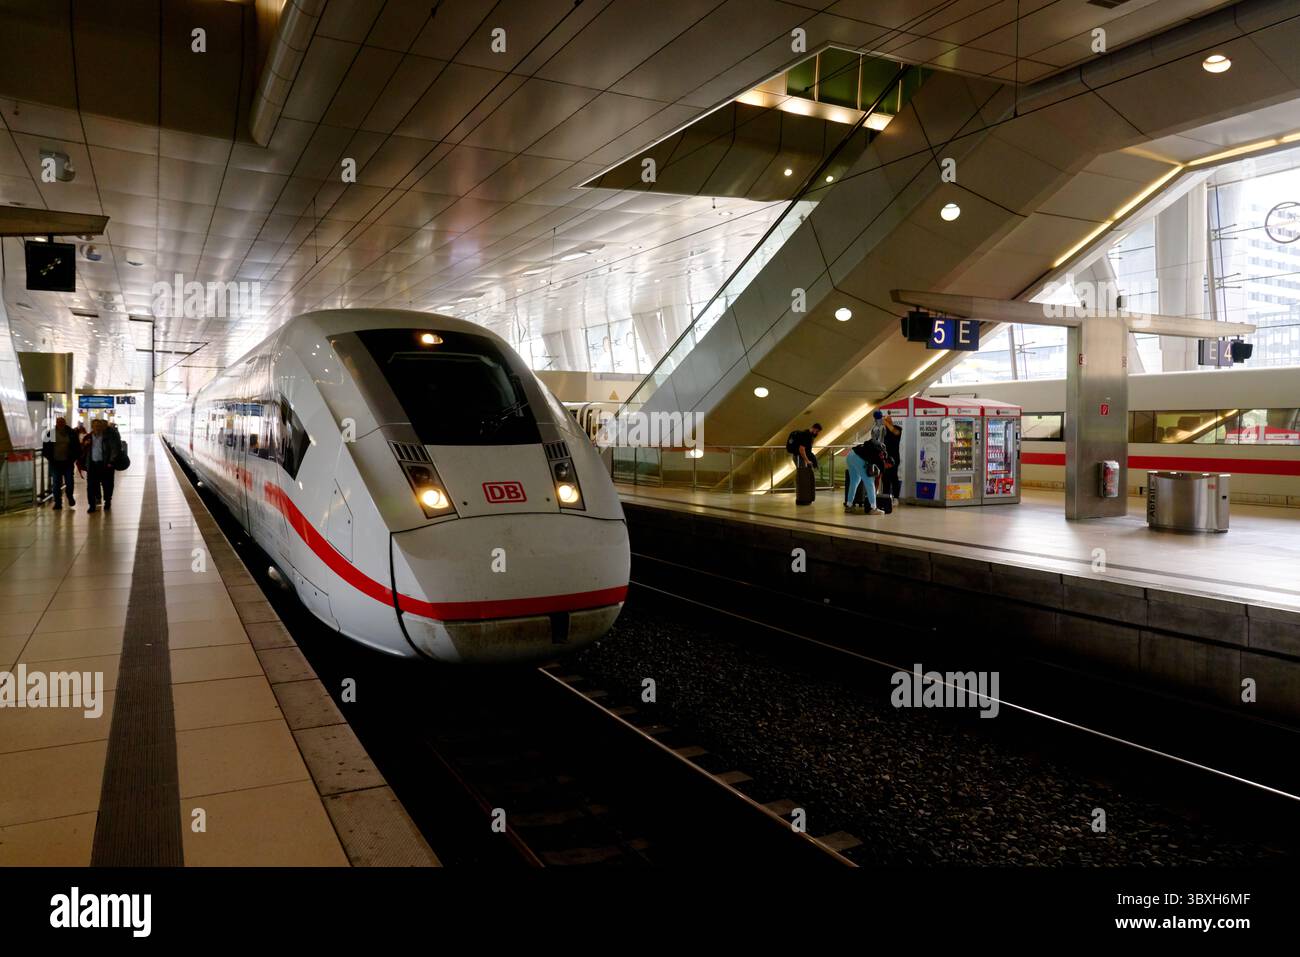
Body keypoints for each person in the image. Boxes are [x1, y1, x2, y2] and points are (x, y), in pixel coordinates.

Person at [83, 418, 123, 513]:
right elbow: (82, 451)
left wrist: (111, 462)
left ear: (102, 427)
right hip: (92, 465)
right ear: (92, 427)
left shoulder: (108, 437)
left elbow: (114, 449)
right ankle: (92, 505)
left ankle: (107, 500)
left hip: (105, 465)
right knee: (91, 486)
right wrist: (84, 445)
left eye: (99, 426)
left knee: (107, 485)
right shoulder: (88, 437)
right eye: (95, 426)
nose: (97, 427)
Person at [41, 416, 79, 511]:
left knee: (69, 482)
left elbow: (76, 446)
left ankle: (69, 496)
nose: (60, 424)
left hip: (68, 462)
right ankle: (58, 502)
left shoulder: (71, 433)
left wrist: (73, 458)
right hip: (55, 463)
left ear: (65, 423)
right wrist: (50, 458)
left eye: (62, 422)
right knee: (56, 483)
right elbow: (46, 448)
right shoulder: (51, 434)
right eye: (59, 422)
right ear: (56, 423)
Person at [844, 441, 884, 515]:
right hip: (858, 458)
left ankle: (849, 506)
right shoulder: (881, 460)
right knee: (870, 483)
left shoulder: (875, 448)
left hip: (850, 455)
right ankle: (873, 508)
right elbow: (877, 479)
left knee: (854, 482)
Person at [881, 411, 903, 503]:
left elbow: (895, 432)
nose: (887, 419)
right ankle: (886, 497)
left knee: (893, 477)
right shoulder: (884, 431)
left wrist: (886, 422)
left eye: (889, 418)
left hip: (894, 458)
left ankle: (896, 498)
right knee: (885, 478)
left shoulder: (897, 428)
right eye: (886, 418)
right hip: (885, 458)